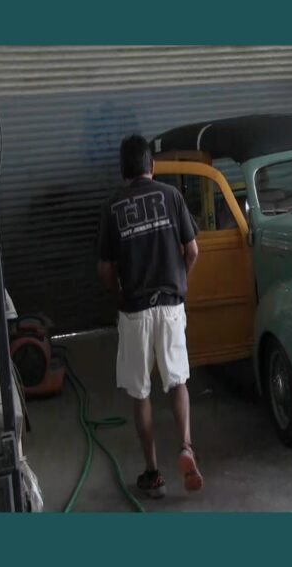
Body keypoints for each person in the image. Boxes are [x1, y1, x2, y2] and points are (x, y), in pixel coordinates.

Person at [97, 134, 201, 498]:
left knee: (140, 392)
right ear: (151, 166)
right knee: (178, 381)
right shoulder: (171, 196)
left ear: (122, 170)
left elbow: (105, 269)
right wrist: (180, 282)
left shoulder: (112, 206)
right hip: (171, 305)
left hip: (135, 311)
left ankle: (153, 473)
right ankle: (186, 447)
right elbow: (192, 250)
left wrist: (119, 294)